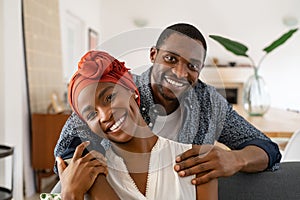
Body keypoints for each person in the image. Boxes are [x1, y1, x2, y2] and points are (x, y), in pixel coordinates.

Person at [54, 23, 281, 185]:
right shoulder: (119, 89)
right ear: (154, 54)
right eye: (171, 59)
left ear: (200, 71)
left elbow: (267, 149)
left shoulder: (209, 103)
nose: (180, 73)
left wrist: (237, 158)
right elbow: (66, 151)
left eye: (192, 66)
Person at [56, 50, 218, 199]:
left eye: (109, 98)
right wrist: (71, 194)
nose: (105, 115)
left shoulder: (196, 162)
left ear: (131, 90)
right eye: (91, 114)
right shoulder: (90, 176)